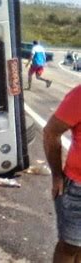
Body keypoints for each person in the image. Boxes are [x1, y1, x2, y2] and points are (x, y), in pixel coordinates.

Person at [44, 85, 81, 262]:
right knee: (70, 246)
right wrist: (57, 176)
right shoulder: (79, 95)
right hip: (77, 189)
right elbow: (51, 132)